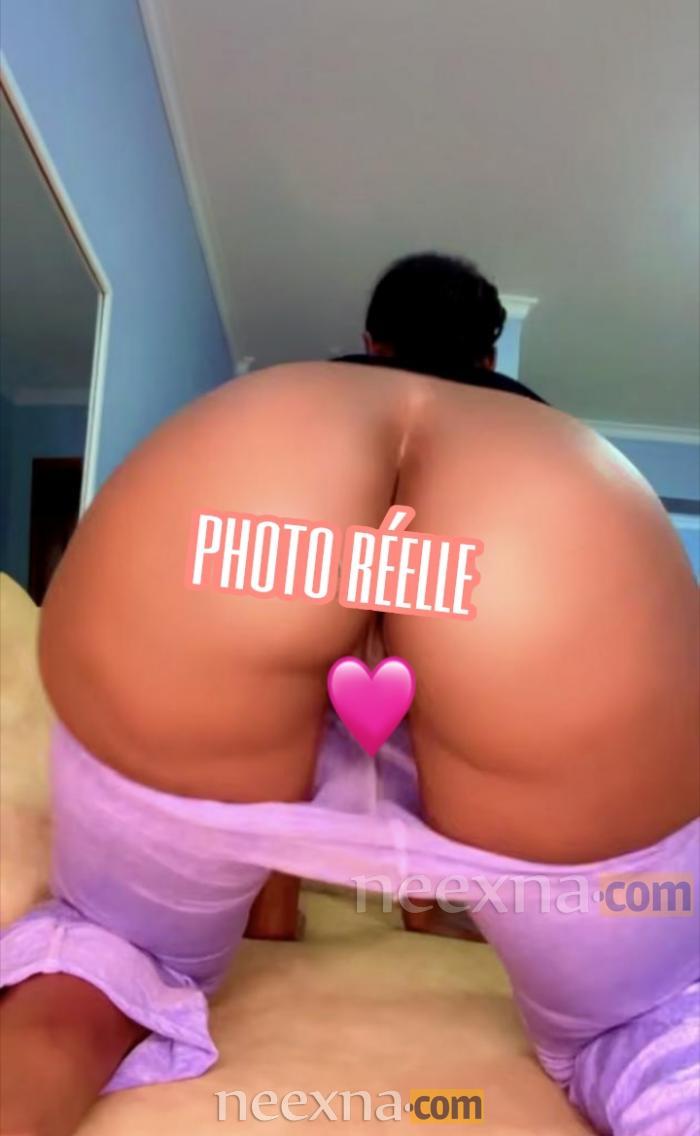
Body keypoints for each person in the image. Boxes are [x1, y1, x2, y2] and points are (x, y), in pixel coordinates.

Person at [1, 259, 698, 1136]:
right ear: (488, 358)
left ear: (372, 342)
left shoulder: (287, 397)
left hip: (235, 499)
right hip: (550, 530)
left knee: (95, 976)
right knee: (653, 1026)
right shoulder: (541, 436)